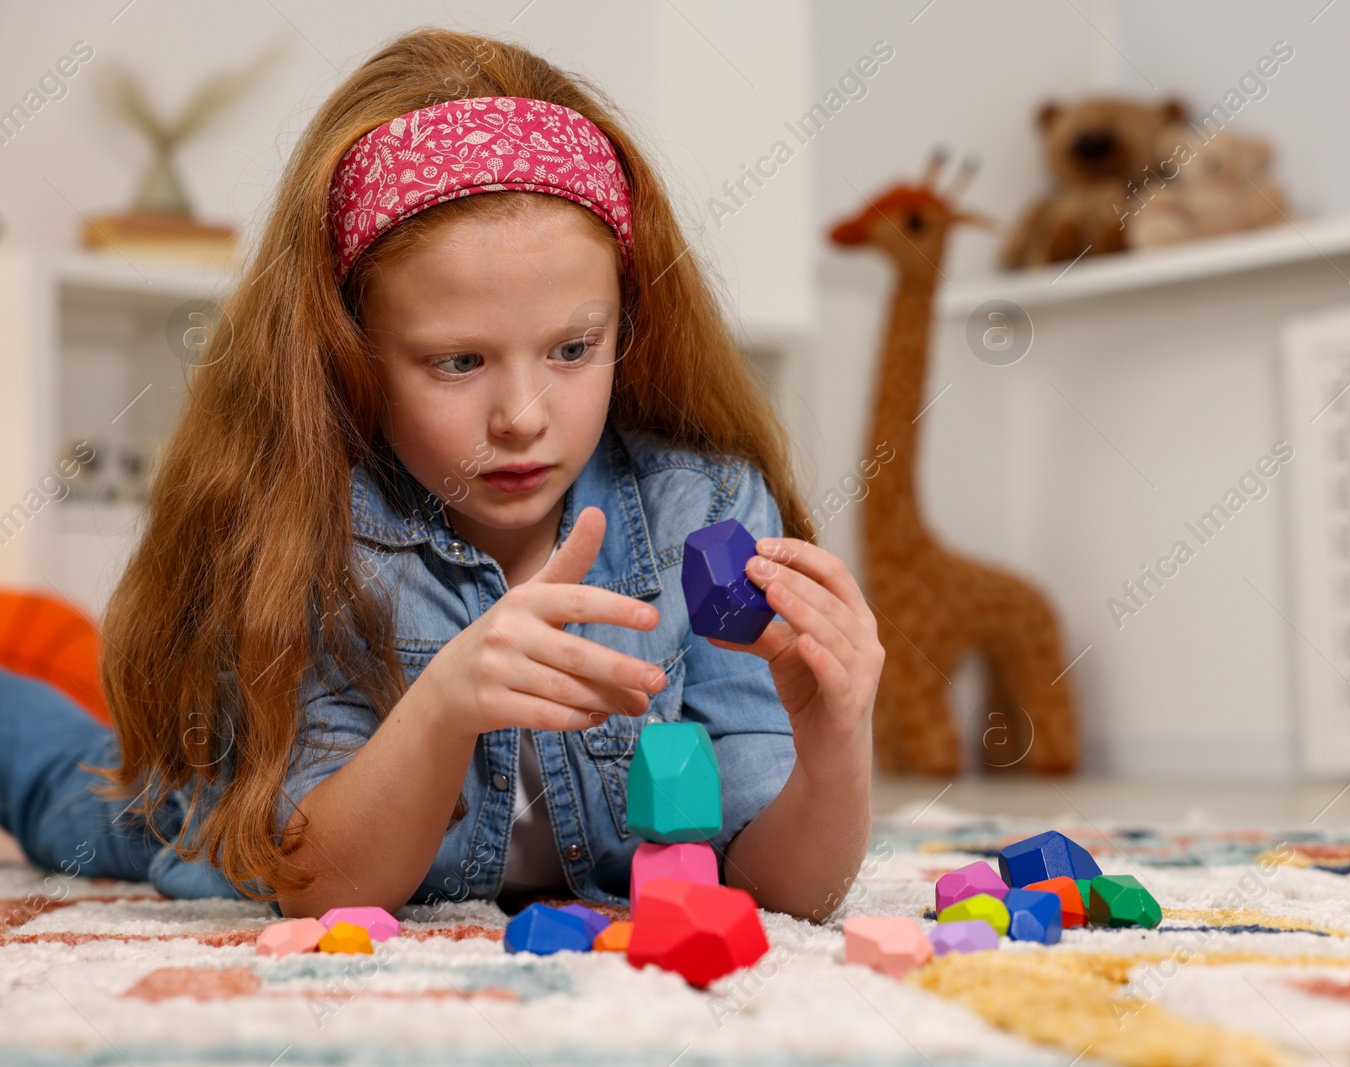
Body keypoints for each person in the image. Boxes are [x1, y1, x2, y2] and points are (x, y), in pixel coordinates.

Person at [0, 27, 883, 924]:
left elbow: (780, 894)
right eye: (459, 361)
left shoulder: (706, 506)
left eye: (574, 348)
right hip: (220, 813)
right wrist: (447, 703)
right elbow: (319, 886)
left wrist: (834, 747)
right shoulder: (314, 530)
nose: (523, 416)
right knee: (79, 789)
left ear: (630, 321)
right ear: (352, 354)